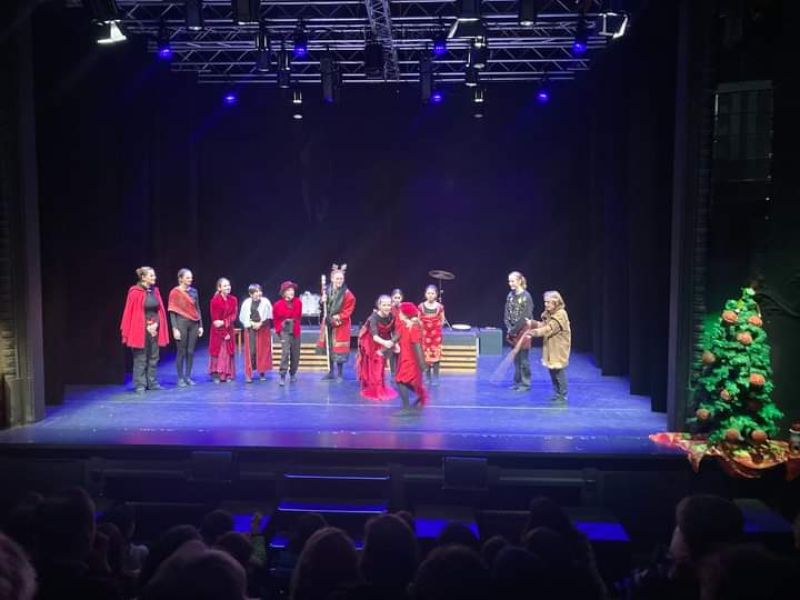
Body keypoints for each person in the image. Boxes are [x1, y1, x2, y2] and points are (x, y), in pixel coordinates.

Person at [120, 266, 169, 394]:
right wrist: (146, 326)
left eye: (154, 275)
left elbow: (159, 310)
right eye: (151, 275)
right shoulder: (134, 292)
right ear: (143, 277)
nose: (154, 278)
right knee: (140, 358)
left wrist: (156, 324)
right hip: (140, 329)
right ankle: (140, 384)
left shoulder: (155, 291)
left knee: (154, 356)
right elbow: (132, 312)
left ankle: (152, 382)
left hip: (154, 328)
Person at [526, 290, 571, 403]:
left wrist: (534, 333)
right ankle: (557, 393)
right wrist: (532, 323)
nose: (546, 304)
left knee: (558, 371)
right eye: (545, 302)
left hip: (558, 347)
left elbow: (549, 329)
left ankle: (562, 394)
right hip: (550, 346)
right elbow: (543, 325)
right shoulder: (549, 313)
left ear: (556, 302)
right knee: (552, 371)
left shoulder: (560, 314)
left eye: (548, 302)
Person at [356, 295, 398, 401]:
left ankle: (380, 386)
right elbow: (374, 336)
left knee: (381, 364)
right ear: (379, 306)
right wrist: (386, 343)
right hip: (372, 342)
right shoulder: (373, 318)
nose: (387, 307)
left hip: (384, 340)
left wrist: (395, 343)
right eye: (384, 305)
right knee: (375, 364)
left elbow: (394, 331)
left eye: (389, 305)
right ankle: (376, 389)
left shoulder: (392, 316)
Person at [168, 268, 204, 387]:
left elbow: (198, 309)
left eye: (191, 277)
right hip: (181, 323)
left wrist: (200, 325)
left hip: (194, 324)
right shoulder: (174, 292)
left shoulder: (194, 291)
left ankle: (188, 377)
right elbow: (172, 311)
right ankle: (180, 378)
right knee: (181, 351)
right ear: (180, 279)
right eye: (187, 277)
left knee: (190, 351)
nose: (190, 279)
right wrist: (175, 329)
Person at [321, 264, 356, 382]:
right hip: (328, 321)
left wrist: (338, 317)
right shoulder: (327, 290)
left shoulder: (348, 295)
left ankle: (340, 374)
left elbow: (348, 311)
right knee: (330, 346)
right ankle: (331, 372)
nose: (339, 281)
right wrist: (322, 300)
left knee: (339, 348)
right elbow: (323, 306)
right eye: (337, 278)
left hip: (341, 323)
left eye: (341, 279)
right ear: (332, 279)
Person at [394, 302, 428, 414]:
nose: (399, 314)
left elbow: (417, 346)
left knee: (400, 381)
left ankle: (406, 408)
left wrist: (422, 364)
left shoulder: (413, 328)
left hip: (411, 360)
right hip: (405, 358)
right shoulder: (405, 326)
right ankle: (421, 395)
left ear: (405, 314)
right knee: (405, 381)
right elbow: (398, 336)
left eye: (400, 312)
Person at [504, 271, 534, 392]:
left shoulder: (526, 296)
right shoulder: (510, 295)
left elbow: (525, 316)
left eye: (512, 281)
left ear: (520, 281)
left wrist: (514, 330)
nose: (510, 283)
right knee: (516, 359)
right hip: (513, 331)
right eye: (509, 281)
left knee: (523, 359)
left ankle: (525, 384)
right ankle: (517, 382)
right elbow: (507, 312)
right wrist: (509, 327)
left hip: (523, 331)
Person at [239, 283, 273, 383]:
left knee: (262, 351)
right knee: (251, 351)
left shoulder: (265, 302)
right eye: (256, 292)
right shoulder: (246, 303)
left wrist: (260, 323)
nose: (259, 293)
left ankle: (262, 372)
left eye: (260, 291)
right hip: (251, 329)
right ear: (251, 294)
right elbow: (243, 317)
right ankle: (249, 374)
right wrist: (251, 323)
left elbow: (269, 316)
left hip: (263, 329)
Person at [273, 281, 302, 386]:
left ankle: (293, 373)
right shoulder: (277, 304)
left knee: (295, 353)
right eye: (289, 290)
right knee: (285, 352)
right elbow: (276, 320)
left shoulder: (298, 302)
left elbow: (297, 316)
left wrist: (291, 320)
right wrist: (279, 330)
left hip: (295, 330)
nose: (291, 292)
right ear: (284, 292)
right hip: (284, 331)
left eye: (292, 290)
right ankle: (282, 375)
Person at [208, 277, 238, 383]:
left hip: (229, 328)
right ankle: (217, 374)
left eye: (228, 285)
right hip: (218, 331)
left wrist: (225, 322)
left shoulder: (233, 299)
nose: (228, 287)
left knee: (228, 351)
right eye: (225, 286)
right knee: (219, 351)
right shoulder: (215, 301)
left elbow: (234, 315)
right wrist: (223, 333)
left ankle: (228, 373)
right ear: (219, 288)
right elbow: (216, 321)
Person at [418, 285, 445, 386]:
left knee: (436, 356)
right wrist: (425, 328)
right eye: (428, 293)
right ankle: (427, 377)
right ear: (425, 294)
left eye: (432, 293)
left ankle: (436, 377)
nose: (430, 295)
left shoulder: (440, 307)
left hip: (436, 336)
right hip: (425, 335)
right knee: (426, 356)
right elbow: (419, 319)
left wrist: (435, 327)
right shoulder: (421, 306)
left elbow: (442, 320)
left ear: (436, 295)